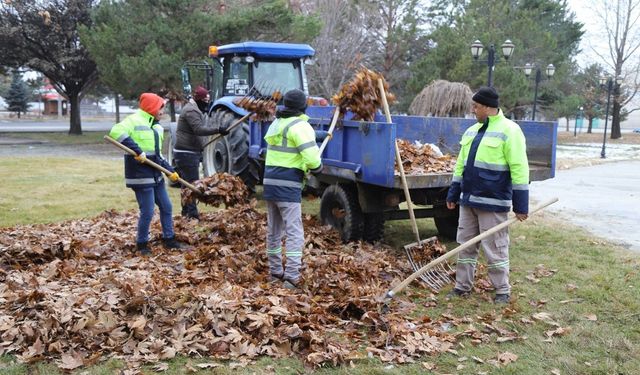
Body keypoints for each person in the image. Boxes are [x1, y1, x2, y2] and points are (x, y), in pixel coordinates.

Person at [445, 86, 529, 304]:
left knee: (495, 247)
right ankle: (462, 286)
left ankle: (502, 290)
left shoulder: (510, 130)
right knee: (464, 245)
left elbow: (520, 168)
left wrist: (521, 204)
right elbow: (460, 165)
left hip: (493, 202)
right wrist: (453, 193)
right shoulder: (471, 131)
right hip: (468, 200)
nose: (473, 110)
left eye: (476, 106)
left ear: (488, 107)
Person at [109, 93, 187, 255]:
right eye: (160, 107)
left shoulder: (157, 127)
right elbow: (116, 131)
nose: (162, 111)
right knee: (148, 210)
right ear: (152, 107)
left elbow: (157, 155)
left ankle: (169, 239)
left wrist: (170, 172)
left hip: (156, 174)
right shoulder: (134, 119)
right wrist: (137, 151)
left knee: (167, 206)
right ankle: (142, 244)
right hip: (140, 175)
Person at [263, 89, 323, 289]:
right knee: (294, 231)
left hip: (270, 183)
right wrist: (317, 168)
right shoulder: (301, 126)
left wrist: (318, 135)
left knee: (274, 230)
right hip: (288, 186)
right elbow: (313, 160)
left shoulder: (276, 123)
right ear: (303, 106)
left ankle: (275, 271)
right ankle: (291, 276)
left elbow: (289, 145)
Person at [174, 86, 229, 219]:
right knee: (192, 184)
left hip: (188, 152)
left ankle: (186, 212)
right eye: (205, 100)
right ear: (199, 99)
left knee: (186, 184)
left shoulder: (194, 109)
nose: (207, 102)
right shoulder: (191, 110)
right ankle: (192, 215)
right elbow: (198, 129)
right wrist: (218, 129)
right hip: (186, 153)